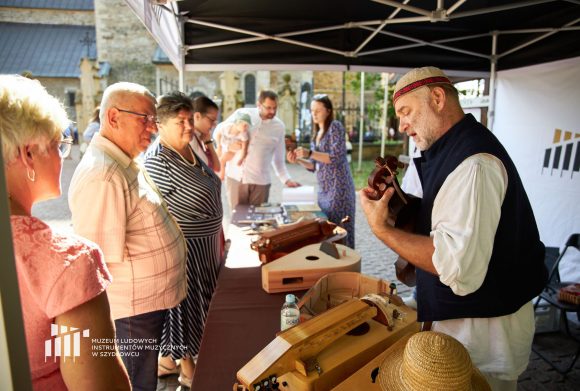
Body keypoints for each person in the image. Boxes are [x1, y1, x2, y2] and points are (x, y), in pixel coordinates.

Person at [360, 66, 547, 390]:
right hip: (464, 329)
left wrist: (383, 231)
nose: (402, 125)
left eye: (406, 112)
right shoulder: (449, 150)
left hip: (485, 340)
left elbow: (458, 267)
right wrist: (401, 215)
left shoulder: (474, 164)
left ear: (436, 98)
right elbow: (446, 219)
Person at [0, 75, 130, 390]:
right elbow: (97, 384)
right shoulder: (65, 261)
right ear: (28, 154)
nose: (63, 156)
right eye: (59, 144)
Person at [69, 82, 187, 391]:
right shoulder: (103, 175)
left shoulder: (122, 161)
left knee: (142, 379)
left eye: (154, 119)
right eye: (144, 118)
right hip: (130, 314)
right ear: (113, 117)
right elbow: (97, 264)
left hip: (143, 308)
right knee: (136, 383)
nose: (152, 128)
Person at [143, 91, 223, 389]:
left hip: (206, 249)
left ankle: (172, 361)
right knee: (186, 310)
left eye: (190, 119)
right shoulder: (156, 161)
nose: (189, 126)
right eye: (181, 121)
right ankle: (188, 370)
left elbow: (211, 178)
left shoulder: (190, 148)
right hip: (185, 252)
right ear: (160, 124)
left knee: (203, 307)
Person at [286, 94, 356, 248]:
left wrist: (309, 153)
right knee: (327, 232)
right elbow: (313, 165)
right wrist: (297, 160)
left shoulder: (335, 127)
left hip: (339, 190)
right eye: (312, 111)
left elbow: (336, 157)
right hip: (324, 191)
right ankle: (329, 266)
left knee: (340, 233)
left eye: (318, 110)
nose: (314, 114)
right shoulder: (316, 134)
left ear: (328, 111)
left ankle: (346, 268)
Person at [215, 89, 300, 210]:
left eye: (275, 108)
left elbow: (278, 159)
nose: (273, 111)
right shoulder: (243, 113)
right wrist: (228, 147)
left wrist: (286, 179)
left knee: (258, 223)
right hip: (235, 178)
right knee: (237, 221)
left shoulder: (279, 127)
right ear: (259, 105)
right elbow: (218, 131)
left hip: (261, 183)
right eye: (269, 107)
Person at [190, 96, 220, 173]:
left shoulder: (201, 136)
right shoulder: (191, 139)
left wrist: (209, 143)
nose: (214, 125)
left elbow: (217, 167)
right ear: (197, 116)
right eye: (212, 120)